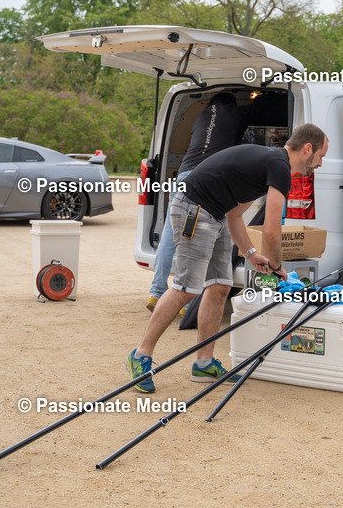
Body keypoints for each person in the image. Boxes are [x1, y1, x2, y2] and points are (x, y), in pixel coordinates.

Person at [126, 124, 329, 393]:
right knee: (186, 288)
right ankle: (140, 355)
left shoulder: (268, 164)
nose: (321, 164)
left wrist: (251, 253)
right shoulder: (278, 166)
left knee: (220, 286)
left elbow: (234, 216)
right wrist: (278, 267)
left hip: (215, 213)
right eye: (321, 156)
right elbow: (271, 231)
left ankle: (204, 362)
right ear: (307, 149)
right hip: (194, 208)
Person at [146, 93, 247, 315]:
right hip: (207, 180)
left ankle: (156, 291)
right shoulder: (236, 115)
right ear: (232, 102)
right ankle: (188, 302)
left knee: (169, 236)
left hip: (183, 176)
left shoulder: (200, 116)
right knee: (203, 239)